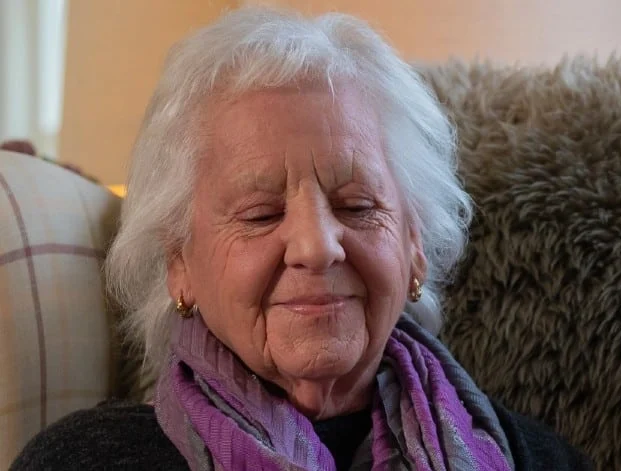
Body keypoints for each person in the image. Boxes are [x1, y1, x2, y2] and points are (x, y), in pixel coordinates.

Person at [12, 7, 591, 470]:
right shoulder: (85, 459)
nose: (317, 247)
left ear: (414, 244)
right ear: (179, 262)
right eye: (261, 214)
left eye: (358, 206)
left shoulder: (533, 457)